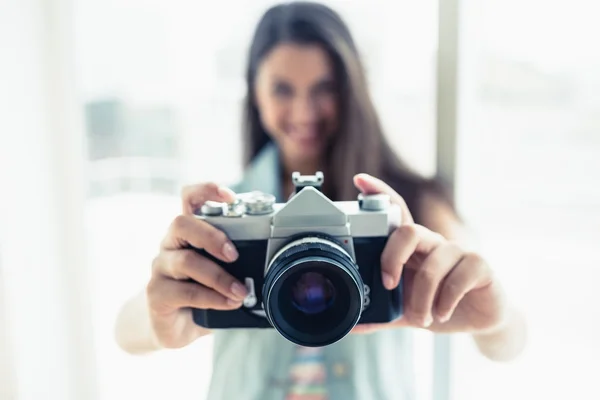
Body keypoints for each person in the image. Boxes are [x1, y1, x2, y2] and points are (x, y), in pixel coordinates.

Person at [114, 2, 527, 399]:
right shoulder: (227, 210)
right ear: (255, 93)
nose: (303, 110)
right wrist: (159, 320)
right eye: (282, 89)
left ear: (350, 90)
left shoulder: (407, 210)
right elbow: (125, 331)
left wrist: (494, 319)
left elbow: (509, 342)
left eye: (324, 87)